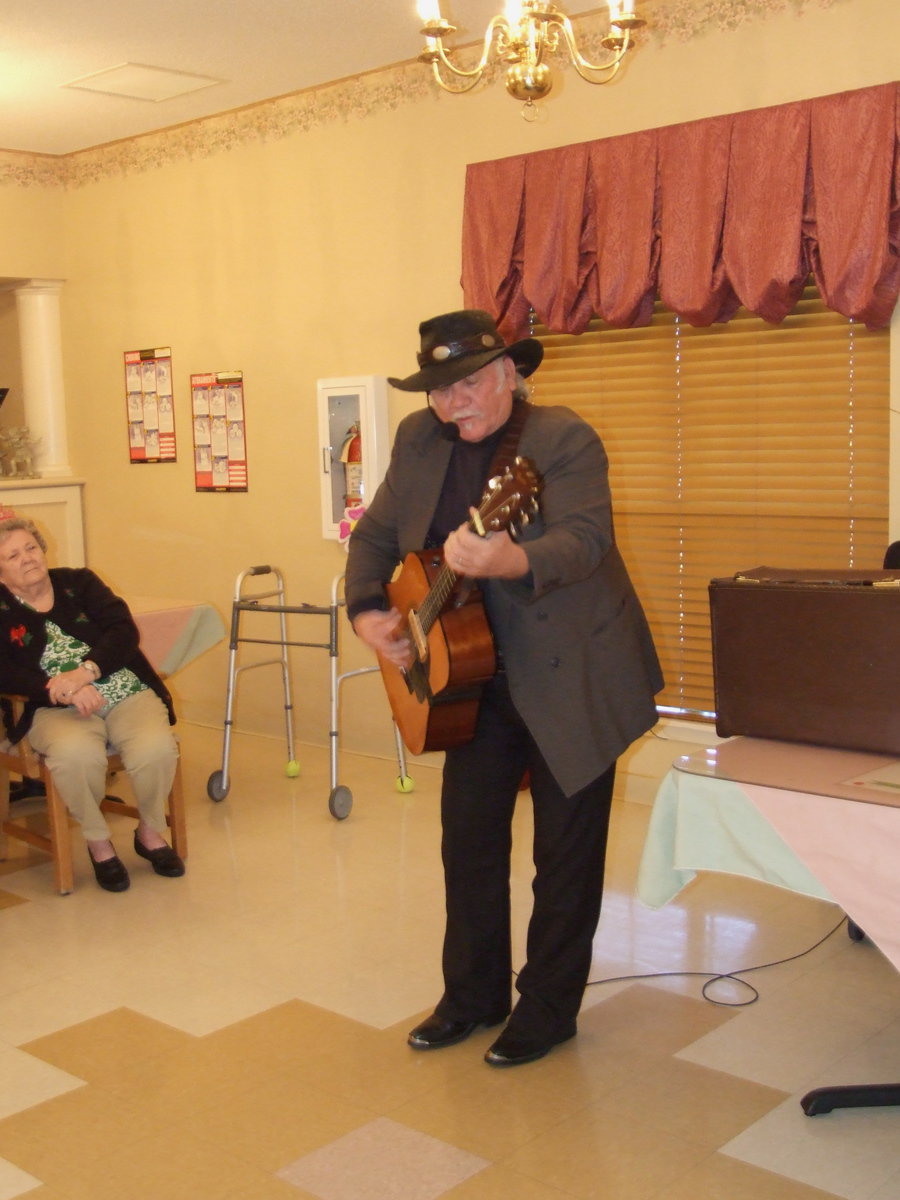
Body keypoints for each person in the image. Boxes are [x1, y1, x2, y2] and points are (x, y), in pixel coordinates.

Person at [344, 309, 663, 1067]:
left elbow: (584, 540)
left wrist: (506, 561)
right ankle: (473, 997)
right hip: (470, 675)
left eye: (472, 383)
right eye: (440, 391)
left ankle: (548, 1009)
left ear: (511, 374)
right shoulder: (420, 442)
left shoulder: (561, 439)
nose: (457, 403)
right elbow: (375, 535)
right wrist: (367, 614)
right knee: (470, 842)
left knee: (566, 855)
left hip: (572, 672)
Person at [0, 516, 183, 892]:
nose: (27, 558)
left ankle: (149, 832)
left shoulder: (78, 582)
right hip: (49, 706)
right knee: (75, 757)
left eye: (31, 548)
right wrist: (56, 686)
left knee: (156, 749)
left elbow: (123, 631)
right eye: (13, 555)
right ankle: (98, 842)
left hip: (121, 688)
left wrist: (86, 672)